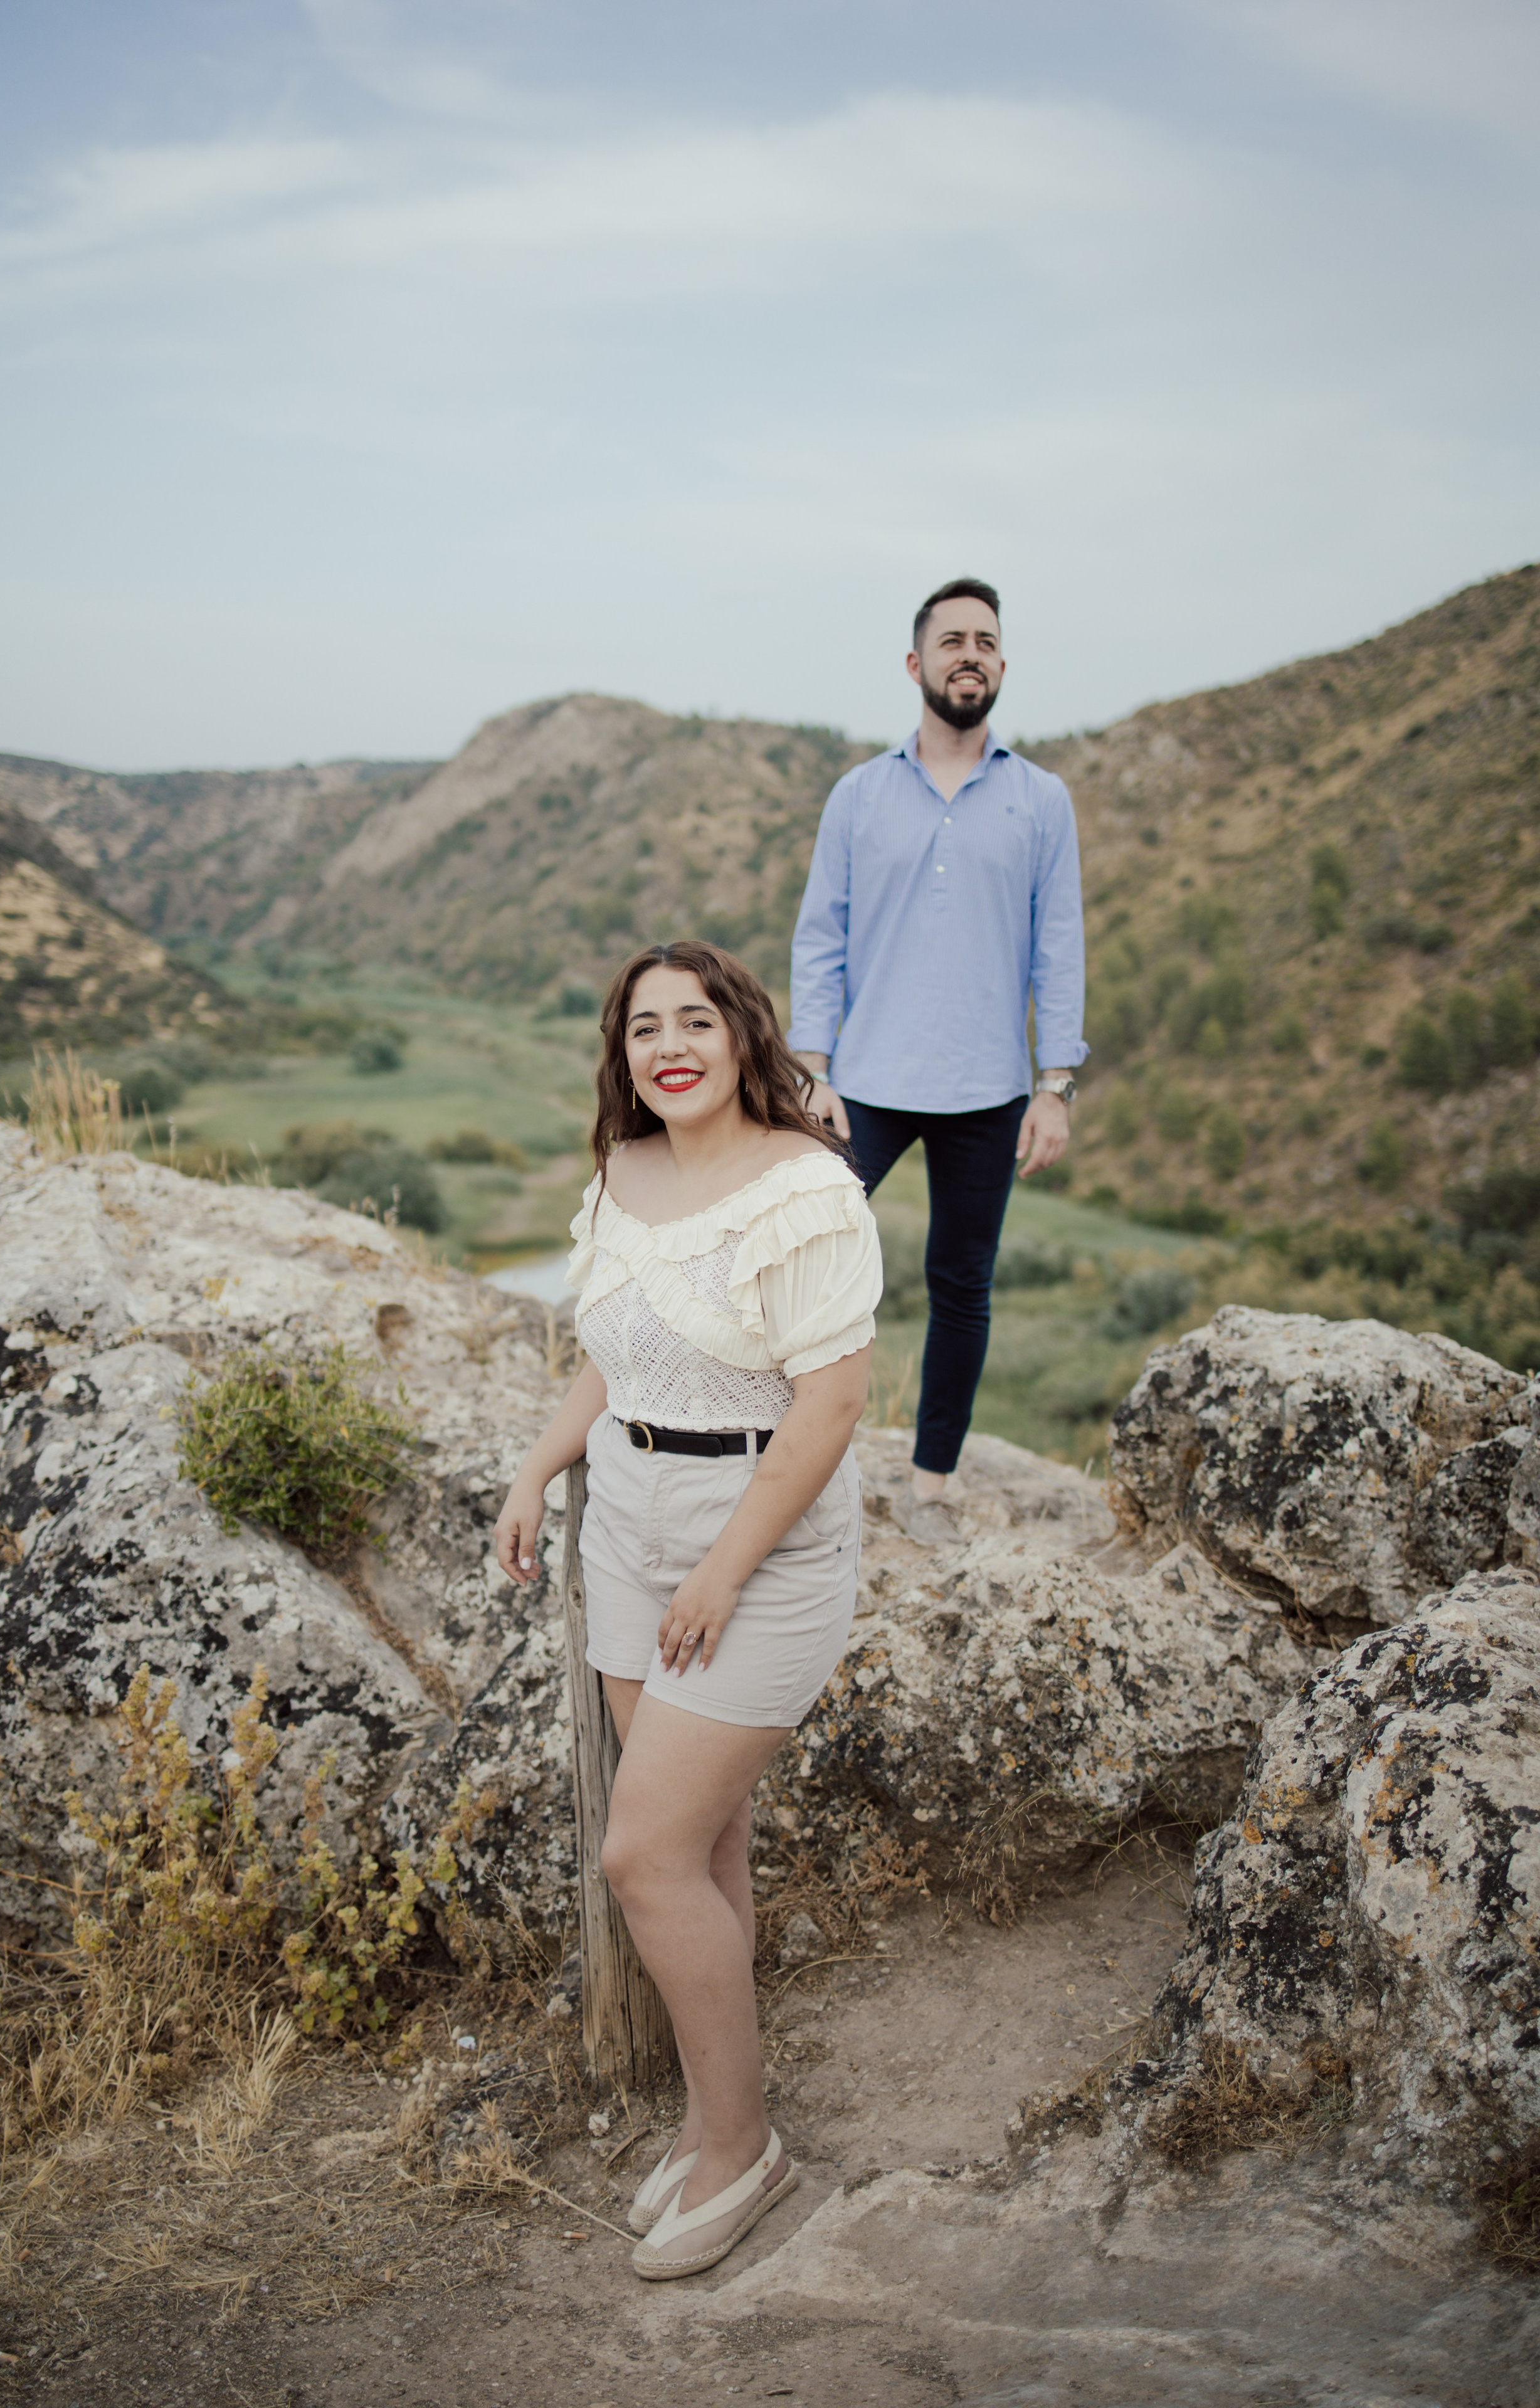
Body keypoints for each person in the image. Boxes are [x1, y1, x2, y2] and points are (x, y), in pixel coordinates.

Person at [493, 939, 882, 2282]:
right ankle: (719, 2113)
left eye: (694, 1020)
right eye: (643, 1025)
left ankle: (742, 2148)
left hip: (757, 1548)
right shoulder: (622, 1171)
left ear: (739, 1035)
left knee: (638, 1856)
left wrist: (720, 1573)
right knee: (703, 1839)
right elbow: (617, 1354)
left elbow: (828, 1411)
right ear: (623, 1053)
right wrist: (542, 1464)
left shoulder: (807, 1190)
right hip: (628, 1526)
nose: (670, 1043)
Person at [788, 576, 1086, 1545]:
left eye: (986, 641)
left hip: (990, 1090)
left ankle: (929, 1492)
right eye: (952, 639)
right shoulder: (859, 794)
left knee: (963, 1287)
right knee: (802, 1265)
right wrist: (812, 1064)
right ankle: (771, 1457)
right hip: (862, 1084)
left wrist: (1055, 1087)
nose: (971, 653)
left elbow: (1060, 949)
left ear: (1001, 666)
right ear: (916, 665)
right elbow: (819, 939)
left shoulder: (1041, 800)